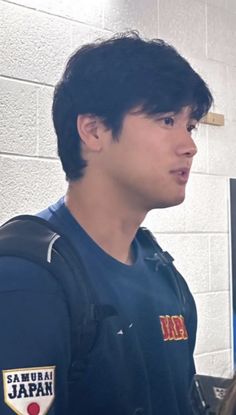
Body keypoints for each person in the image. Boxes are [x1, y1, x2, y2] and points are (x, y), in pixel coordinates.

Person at [0, 32, 213, 415]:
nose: (189, 145)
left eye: (190, 126)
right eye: (167, 120)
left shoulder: (166, 277)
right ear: (94, 130)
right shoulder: (25, 278)